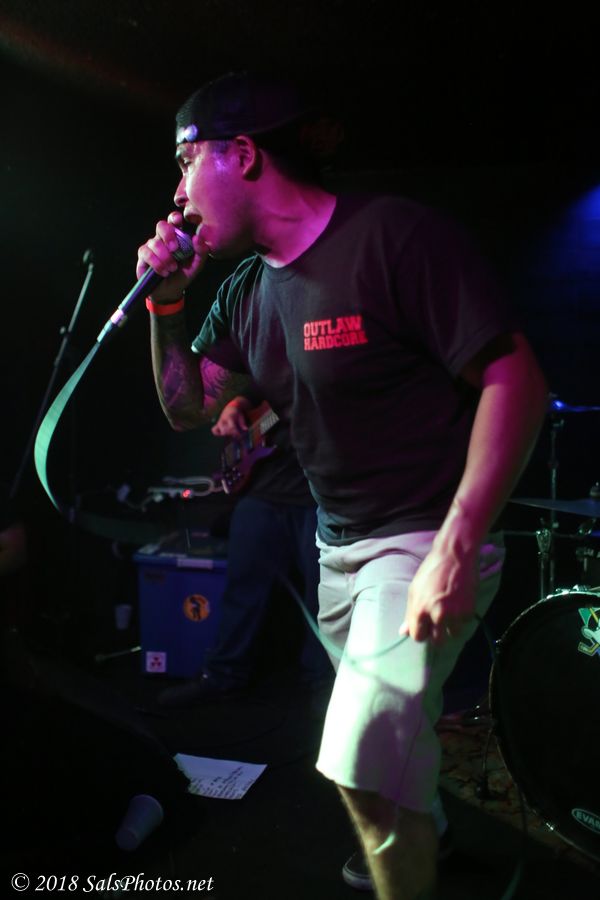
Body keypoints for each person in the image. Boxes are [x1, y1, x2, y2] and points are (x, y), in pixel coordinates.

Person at [137, 71, 548, 900]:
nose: (177, 193)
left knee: (360, 762)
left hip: (424, 533)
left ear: (242, 154)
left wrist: (457, 543)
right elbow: (187, 407)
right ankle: (430, 836)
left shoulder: (392, 237)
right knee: (397, 736)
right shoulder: (247, 292)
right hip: (339, 546)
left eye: (185, 163)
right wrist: (167, 304)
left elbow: (516, 379)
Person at [157, 390, 332, 707]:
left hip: (318, 496)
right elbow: (257, 388)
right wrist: (236, 405)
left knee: (322, 601)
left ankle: (323, 689)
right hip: (263, 492)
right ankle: (222, 675)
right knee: (241, 592)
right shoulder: (272, 360)